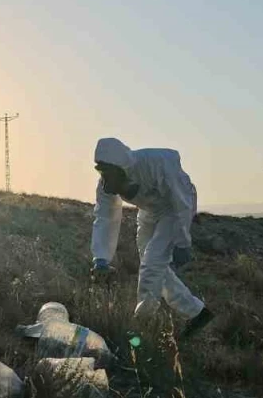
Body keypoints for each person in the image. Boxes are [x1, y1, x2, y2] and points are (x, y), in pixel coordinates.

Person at [90, 136, 214, 340]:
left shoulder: (157, 164)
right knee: (154, 266)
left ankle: (141, 324)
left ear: (122, 168)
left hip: (174, 207)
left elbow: (181, 199)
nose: (105, 179)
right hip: (149, 211)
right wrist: (101, 258)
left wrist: (182, 240)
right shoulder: (106, 183)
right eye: (101, 172)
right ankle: (197, 313)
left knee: (152, 264)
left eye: (108, 172)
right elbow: (105, 216)